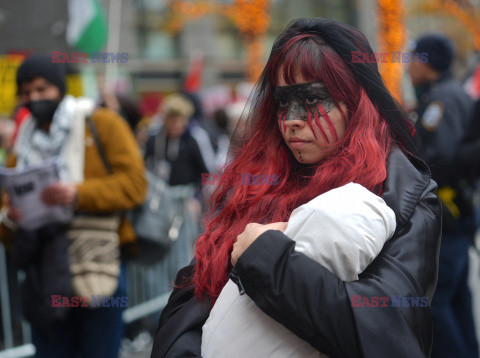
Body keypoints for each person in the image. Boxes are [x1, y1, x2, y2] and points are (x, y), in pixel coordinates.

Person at [151, 17, 442, 358]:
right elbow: (191, 299)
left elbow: (389, 334)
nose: (292, 119)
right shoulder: (261, 182)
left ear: (356, 102)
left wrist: (265, 257)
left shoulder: (402, 193)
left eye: (312, 99)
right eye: (282, 101)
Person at [0, 53, 147, 358]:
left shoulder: (102, 123)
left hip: (97, 262)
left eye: (42, 89)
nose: (34, 98)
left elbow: (135, 186)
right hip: (45, 275)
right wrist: (11, 217)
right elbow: (6, 219)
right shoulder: (19, 147)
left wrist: (77, 194)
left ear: (59, 88)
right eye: (26, 92)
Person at [202, 182, 396, 357]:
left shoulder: (375, 206)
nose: (291, 139)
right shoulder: (258, 180)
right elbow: (192, 300)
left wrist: (260, 254)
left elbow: (377, 333)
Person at [407, 34, 478, 358]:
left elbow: (441, 158)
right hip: (459, 213)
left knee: (435, 303)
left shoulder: (441, 101)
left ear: (426, 62)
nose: (408, 66)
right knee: (457, 298)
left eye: (412, 58)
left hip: (448, 215)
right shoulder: (452, 94)